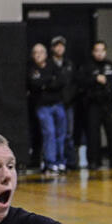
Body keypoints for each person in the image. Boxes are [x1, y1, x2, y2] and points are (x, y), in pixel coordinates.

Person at [79, 40, 112, 169]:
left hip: (109, 104)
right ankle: (94, 161)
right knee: (93, 134)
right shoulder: (87, 67)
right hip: (92, 104)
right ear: (93, 52)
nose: (99, 53)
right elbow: (79, 83)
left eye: (102, 50)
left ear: (105, 51)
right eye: (97, 50)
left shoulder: (111, 67)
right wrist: (94, 79)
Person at [28, 42, 65, 177]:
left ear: (45, 54)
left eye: (40, 52)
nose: (38, 55)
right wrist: (48, 81)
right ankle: (50, 162)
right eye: (35, 53)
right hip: (42, 106)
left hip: (57, 104)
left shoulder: (52, 65)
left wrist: (46, 83)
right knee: (49, 132)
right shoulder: (32, 69)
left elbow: (60, 81)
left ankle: (61, 161)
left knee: (61, 133)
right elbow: (34, 84)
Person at [49, 35, 80, 169]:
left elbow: (74, 83)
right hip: (53, 103)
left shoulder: (69, 64)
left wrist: (69, 97)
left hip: (68, 104)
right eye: (57, 45)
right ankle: (53, 160)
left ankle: (70, 161)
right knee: (52, 133)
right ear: (52, 48)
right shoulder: (49, 64)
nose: (60, 48)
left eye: (62, 45)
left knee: (68, 134)